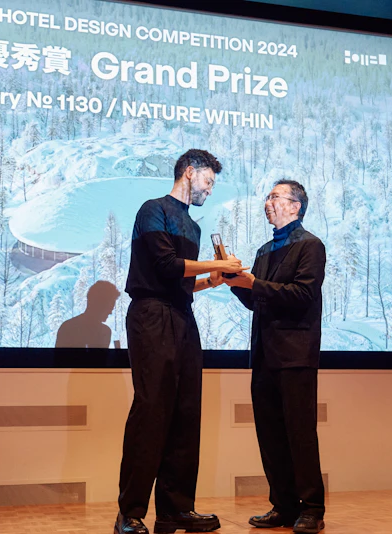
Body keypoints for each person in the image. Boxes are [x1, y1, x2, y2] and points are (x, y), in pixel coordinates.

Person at [115, 149, 245, 534]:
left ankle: (176, 510)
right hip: (151, 315)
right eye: (208, 181)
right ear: (189, 172)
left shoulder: (193, 227)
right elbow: (165, 266)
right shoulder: (153, 210)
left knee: (187, 413)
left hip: (182, 316)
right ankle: (129, 513)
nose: (210, 189)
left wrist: (211, 281)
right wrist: (219, 264)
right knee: (152, 410)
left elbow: (182, 282)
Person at [224, 179, 327, 534]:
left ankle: (312, 508)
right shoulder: (265, 250)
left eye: (275, 197)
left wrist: (254, 283)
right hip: (264, 355)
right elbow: (259, 300)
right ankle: (283, 506)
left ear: (296, 206)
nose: (267, 202)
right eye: (267, 197)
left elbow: (302, 294)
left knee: (299, 433)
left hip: (296, 355)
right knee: (270, 435)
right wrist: (236, 283)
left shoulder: (310, 245)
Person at [55, 280, 120, 348]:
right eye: (109, 308)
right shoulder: (68, 328)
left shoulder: (67, 327)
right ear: (99, 305)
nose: (110, 312)